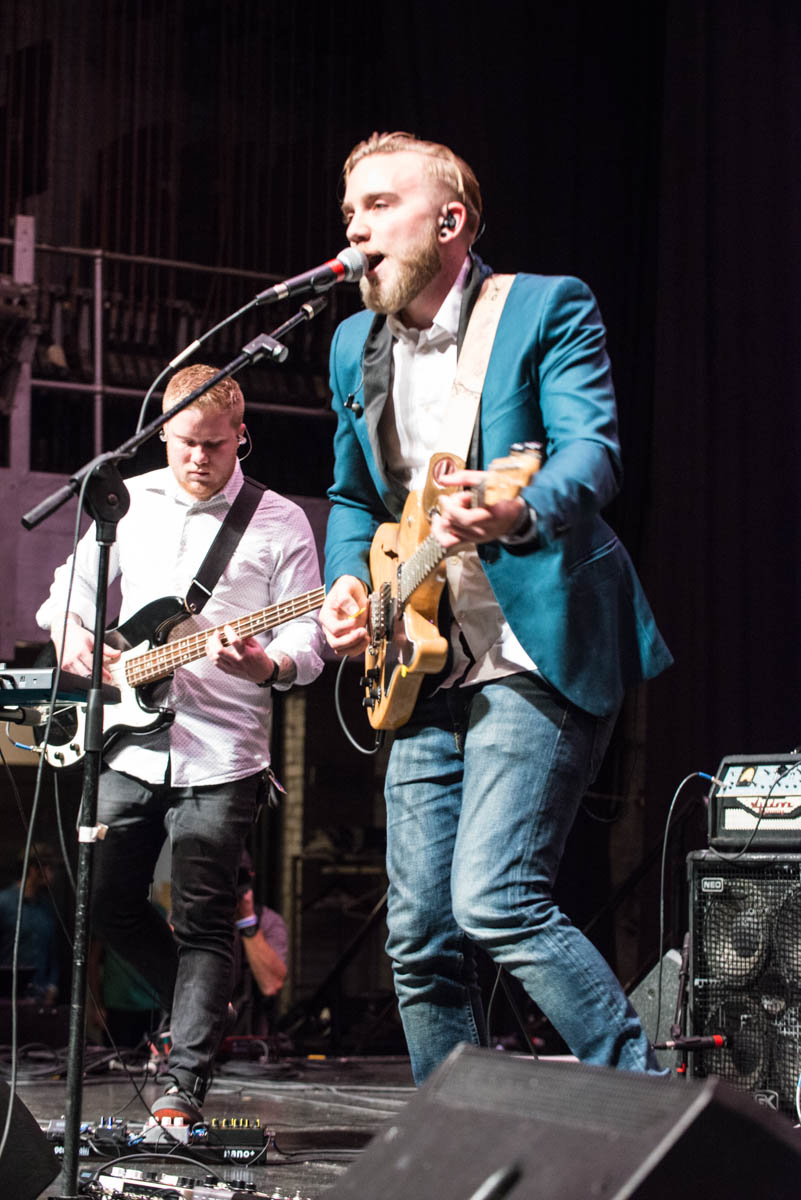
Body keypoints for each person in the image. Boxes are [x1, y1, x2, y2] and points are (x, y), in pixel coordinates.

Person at [319, 131, 673, 1084]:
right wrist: (350, 581)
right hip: (420, 653)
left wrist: (517, 508)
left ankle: (649, 1101)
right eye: (350, 211)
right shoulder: (352, 344)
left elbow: (591, 452)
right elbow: (353, 497)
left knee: (495, 900)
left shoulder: (544, 306)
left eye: (379, 206)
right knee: (417, 936)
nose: (356, 230)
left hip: (533, 639)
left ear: (451, 221)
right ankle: (457, 1136)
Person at [36, 363, 324, 1121]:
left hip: (223, 752)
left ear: (241, 437)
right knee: (102, 903)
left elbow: (310, 638)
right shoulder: (127, 503)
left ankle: (183, 1082)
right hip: (127, 741)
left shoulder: (279, 521)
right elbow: (69, 593)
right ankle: (198, 1004)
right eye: (184, 443)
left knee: (204, 920)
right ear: (162, 435)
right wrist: (73, 635)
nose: (198, 458)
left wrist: (265, 663)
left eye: (215, 445)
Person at [229, 851, 288, 1038]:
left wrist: (247, 922)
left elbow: (271, 985)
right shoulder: (189, 918)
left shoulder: (269, 922)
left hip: (251, 1040)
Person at [0, 844, 61, 1004]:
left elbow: (52, 952)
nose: (53, 874)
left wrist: (52, 985)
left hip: (39, 995)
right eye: (49, 868)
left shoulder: (47, 908)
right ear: (34, 869)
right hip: (7, 996)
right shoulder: (4, 903)